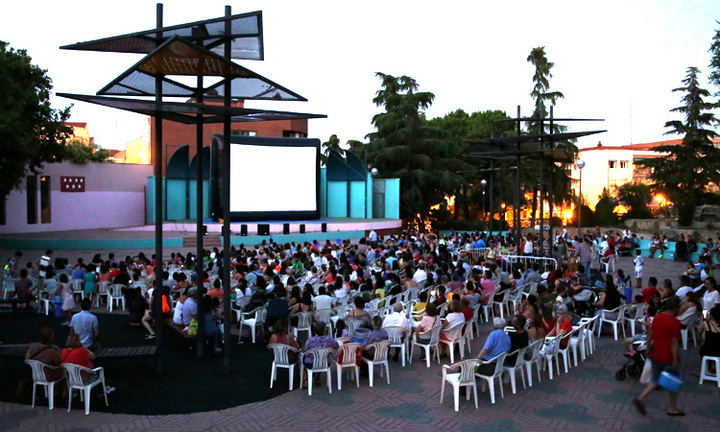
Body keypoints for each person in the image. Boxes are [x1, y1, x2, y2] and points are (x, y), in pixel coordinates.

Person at [635, 295, 684, 417]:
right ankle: (672, 408)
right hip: (668, 357)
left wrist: (648, 349)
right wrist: (675, 360)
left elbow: (650, 334)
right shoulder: (675, 323)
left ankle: (641, 398)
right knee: (673, 384)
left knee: (655, 379)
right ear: (675, 308)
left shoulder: (657, 318)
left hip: (656, 353)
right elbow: (674, 344)